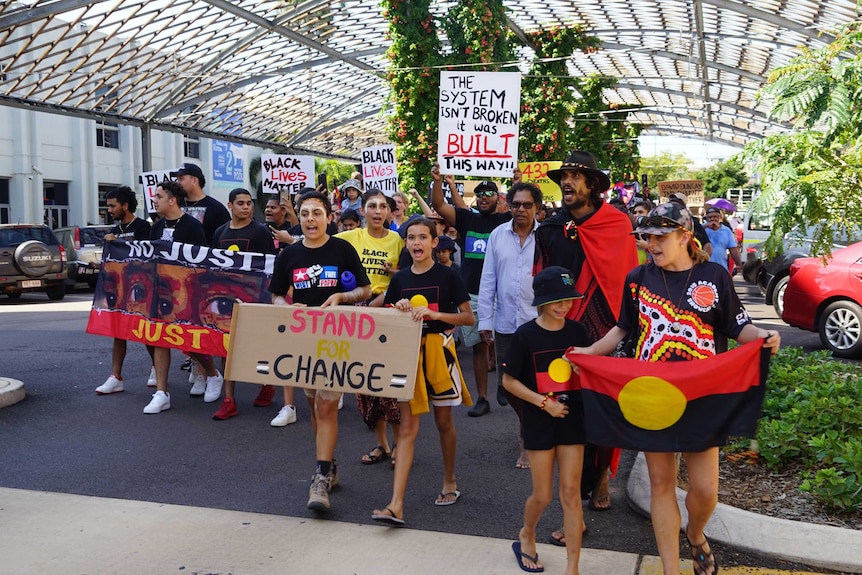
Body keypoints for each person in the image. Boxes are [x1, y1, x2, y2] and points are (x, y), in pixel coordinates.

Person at [568, 201, 781, 575]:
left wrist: (761, 336)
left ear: (685, 237)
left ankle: (695, 533)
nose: (650, 244)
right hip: (653, 395)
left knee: (705, 491)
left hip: (703, 396)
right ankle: (671, 569)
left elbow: (737, 326)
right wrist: (588, 351)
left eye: (659, 237)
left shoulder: (714, 276)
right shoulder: (637, 279)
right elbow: (622, 328)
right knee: (660, 482)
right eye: (646, 237)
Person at [534, 149, 638, 542]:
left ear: (592, 184)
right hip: (564, 336)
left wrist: (626, 333)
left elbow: (626, 283)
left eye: (576, 176)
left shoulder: (616, 223)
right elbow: (541, 280)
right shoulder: (551, 229)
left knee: (601, 416)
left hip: (605, 337)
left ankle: (600, 478)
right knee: (569, 418)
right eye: (564, 177)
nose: (567, 183)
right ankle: (581, 500)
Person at [268, 190, 371, 512]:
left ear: (329, 217)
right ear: (299, 217)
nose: (311, 219)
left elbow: (365, 289)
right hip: (304, 340)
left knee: (327, 407)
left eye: (317, 213)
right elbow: (275, 296)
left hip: (337, 340)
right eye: (305, 213)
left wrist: (342, 298)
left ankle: (321, 477)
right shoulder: (289, 255)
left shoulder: (342, 249)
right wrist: (288, 305)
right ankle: (327, 463)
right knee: (314, 409)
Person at [370, 217, 474, 527]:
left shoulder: (449, 276)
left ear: (434, 241)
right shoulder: (400, 279)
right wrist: (398, 309)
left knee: (444, 422)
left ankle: (450, 479)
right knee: (407, 429)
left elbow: (468, 319)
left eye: (422, 237)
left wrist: (434, 313)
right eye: (411, 238)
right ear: (406, 243)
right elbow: (387, 317)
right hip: (407, 354)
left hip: (440, 352)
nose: (416, 243)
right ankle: (396, 504)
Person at [503, 266, 591, 575]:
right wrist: (544, 403)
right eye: (557, 300)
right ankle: (527, 533)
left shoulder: (578, 331)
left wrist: (584, 370)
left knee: (571, 493)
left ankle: (573, 568)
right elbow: (509, 381)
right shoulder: (526, 335)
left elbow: (590, 366)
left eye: (568, 300)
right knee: (542, 495)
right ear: (541, 300)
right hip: (540, 421)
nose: (564, 306)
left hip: (573, 420)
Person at [431, 165, 512, 417]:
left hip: (503, 293)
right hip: (474, 294)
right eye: (479, 195)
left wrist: (518, 181)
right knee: (478, 347)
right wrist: (438, 181)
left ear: (499, 199)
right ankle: (482, 398)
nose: (483, 198)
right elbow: (439, 206)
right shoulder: (467, 219)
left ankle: (504, 385)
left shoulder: (505, 221)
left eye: (488, 194)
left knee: (504, 344)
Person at [336, 189, 405, 464]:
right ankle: (381, 445)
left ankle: (400, 445)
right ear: (363, 210)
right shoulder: (350, 237)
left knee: (390, 384)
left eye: (383, 206)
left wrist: (394, 277)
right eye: (372, 206)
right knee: (366, 384)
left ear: (389, 212)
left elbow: (409, 276)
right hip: (356, 315)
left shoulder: (399, 241)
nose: (378, 211)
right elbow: (317, 242)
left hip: (387, 314)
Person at [478, 182, 542, 469]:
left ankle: (527, 439)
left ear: (537, 208)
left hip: (538, 323)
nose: (521, 210)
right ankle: (528, 426)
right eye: (516, 204)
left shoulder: (547, 237)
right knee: (510, 384)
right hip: (505, 323)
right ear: (509, 206)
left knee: (537, 384)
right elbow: (488, 279)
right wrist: (485, 320)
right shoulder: (497, 236)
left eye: (527, 205)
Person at [145, 180, 223, 414]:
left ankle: (212, 374)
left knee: (188, 340)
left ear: (172, 200)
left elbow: (201, 262)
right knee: (158, 338)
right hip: (161, 290)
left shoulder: (191, 226)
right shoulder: (156, 227)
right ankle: (161, 393)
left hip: (186, 292)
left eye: (158, 196)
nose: (154, 200)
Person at [211, 188, 278, 420]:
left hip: (254, 298)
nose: (246, 207)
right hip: (227, 299)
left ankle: (267, 382)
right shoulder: (219, 232)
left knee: (258, 345)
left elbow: (270, 266)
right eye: (241, 203)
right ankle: (229, 399)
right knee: (226, 348)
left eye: (249, 203)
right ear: (230, 205)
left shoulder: (261, 231)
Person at [95, 185, 155, 395]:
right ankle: (115, 376)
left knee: (146, 332)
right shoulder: (114, 231)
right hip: (119, 289)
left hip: (141, 289)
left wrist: (117, 242)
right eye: (108, 206)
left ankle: (156, 368)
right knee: (118, 332)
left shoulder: (142, 227)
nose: (109, 210)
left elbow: (144, 254)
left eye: (112, 205)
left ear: (125, 205)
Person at [174, 163, 230, 246]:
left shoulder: (216, 209)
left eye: (181, 179)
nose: (178, 183)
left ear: (194, 181)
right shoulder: (175, 205)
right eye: (177, 179)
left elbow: (225, 238)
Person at [703, 207, 742, 273]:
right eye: (710, 217)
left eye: (715, 217)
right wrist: (705, 227)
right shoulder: (702, 229)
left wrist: (738, 264)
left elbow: (733, 249)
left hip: (721, 267)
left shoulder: (726, 230)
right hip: (703, 267)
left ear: (719, 217)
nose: (712, 219)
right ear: (706, 218)